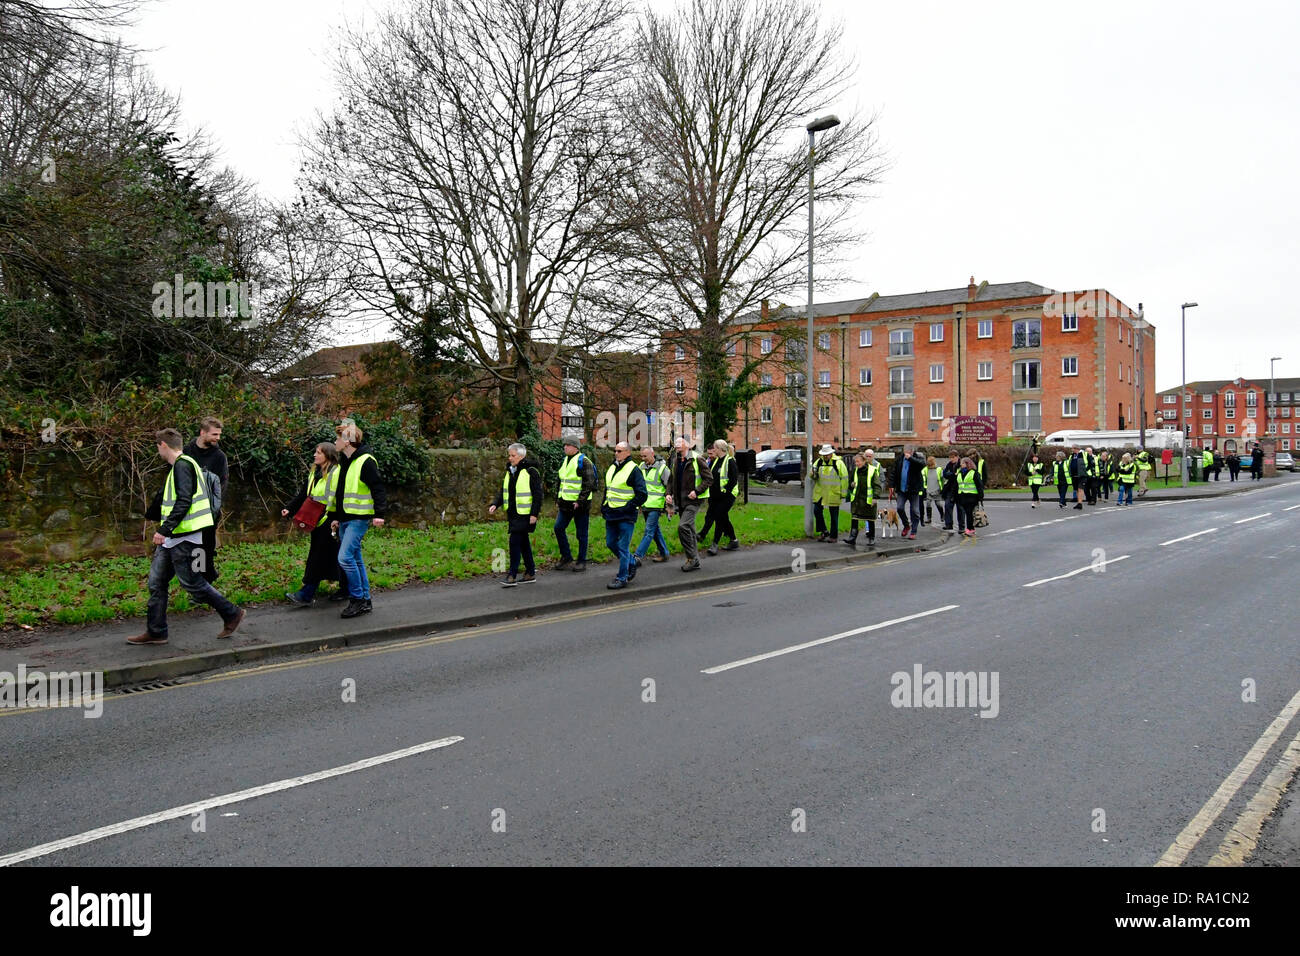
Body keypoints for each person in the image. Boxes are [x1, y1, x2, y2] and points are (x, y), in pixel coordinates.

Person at [128, 429, 244, 646]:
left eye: (157, 446)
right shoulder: (181, 466)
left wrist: (163, 530)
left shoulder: (183, 466)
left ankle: (232, 613)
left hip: (184, 536)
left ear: (163, 445)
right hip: (175, 536)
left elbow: (184, 501)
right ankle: (156, 631)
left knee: (192, 583)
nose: (158, 450)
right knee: (157, 582)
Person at [332, 421, 387, 617]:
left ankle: (357, 599)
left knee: (345, 557)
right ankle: (364, 600)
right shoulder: (346, 461)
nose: (335, 441)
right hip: (347, 518)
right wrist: (337, 517)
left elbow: (378, 488)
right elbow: (341, 493)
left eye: (338, 438)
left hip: (359, 519)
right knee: (355, 558)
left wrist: (379, 514)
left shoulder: (365, 461)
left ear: (347, 441)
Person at [281, 442, 343, 606]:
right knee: (332, 556)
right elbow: (304, 494)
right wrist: (289, 508)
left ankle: (306, 594)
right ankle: (348, 588)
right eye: (315, 452)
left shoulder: (336, 473)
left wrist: (336, 519)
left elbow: (339, 497)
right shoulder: (315, 472)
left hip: (330, 519)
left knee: (319, 556)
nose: (315, 455)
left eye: (318, 453)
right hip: (316, 518)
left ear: (328, 456)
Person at [183, 416, 228, 585]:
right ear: (202, 432)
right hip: (188, 509)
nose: (218, 438)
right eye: (214, 434)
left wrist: (214, 509)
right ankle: (200, 578)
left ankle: (204, 579)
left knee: (206, 546)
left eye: (219, 435)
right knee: (194, 546)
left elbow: (222, 484)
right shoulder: (187, 451)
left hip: (208, 510)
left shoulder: (219, 457)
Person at [489, 441, 541, 586]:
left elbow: (538, 495)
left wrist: (534, 514)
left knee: (515, 542)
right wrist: (495, 503)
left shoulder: (531, 471)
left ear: (521, 456)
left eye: (513, 455)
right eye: (509, 455)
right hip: (513, 513)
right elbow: (504, 491)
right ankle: (530, 572)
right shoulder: (510, 471)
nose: (510, 458)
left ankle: (512, 574)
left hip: (525, 514)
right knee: (523, 542)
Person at [601, 441, 647, 589]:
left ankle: (622, 578)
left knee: (622, 546)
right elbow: (608, 489)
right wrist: (604, 505)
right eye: (615, 450)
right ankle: (632, 562)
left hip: (626, 515)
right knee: (610, 543)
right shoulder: (613, 467)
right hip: (611, 512)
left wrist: (629, 506)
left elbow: (642, 494)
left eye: (619, 451)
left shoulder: (634, 469)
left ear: (627, 452)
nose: (616, 453)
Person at [666, 436, 712, 571]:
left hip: (694, 500)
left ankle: (692, 558)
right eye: (676, 442)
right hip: (680, 501)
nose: (677, 444)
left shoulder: (697, 459)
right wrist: (668, 494)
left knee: (683, 526)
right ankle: (695, 559)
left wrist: (696, 492)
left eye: (680, 442)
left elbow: (709, 479)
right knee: (690, 531)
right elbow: (670, 480)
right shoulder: (676, 460)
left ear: (688, 445)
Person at [554, 437, 597, 572]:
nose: (565, 447)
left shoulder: (584, 462)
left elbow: (589, 483)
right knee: (558, 528)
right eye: (564, 445)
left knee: (581, 534)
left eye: (568, 445)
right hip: (565, 504)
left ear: (576, 448)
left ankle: (581, 560)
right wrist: (558, 498)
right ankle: (566, 557)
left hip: (580, 505)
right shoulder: (565, 461)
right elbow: (561, 481)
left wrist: (580, 501)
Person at [699, 439, 739, 555]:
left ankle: (715, 544)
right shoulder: (716, 461)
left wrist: (726, 492)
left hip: (727, 496)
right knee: (723, 518)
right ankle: (734, 540)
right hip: (715, 496)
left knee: (719, 517)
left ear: (720, 449)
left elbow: (733, 480)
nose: (713, 450)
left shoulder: (730, 461)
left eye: (715, 448)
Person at [633, 445, 671, 565]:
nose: (643, 458)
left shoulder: (663, 468)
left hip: (656, 505)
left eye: (645, 456)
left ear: (652, 454)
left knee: (649, 531)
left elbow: (670, 487)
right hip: (644, 504)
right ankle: (664, 553)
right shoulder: (641, 467)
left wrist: (670, 506)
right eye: (642, 456)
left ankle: (637, 557)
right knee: (655, 531)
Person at [843, 449, 883, 548]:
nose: (856, 464)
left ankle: (871, 538)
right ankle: (852, 538)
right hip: (857, 499)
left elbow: (877, 486)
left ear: (864, 461)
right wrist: (851, 485)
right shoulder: (855, 470)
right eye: (855, 462)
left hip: (868, 500)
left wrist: (875, 497)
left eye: (858, 462)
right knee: (854, 518)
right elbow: (851, 482)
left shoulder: (872, 470)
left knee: (870, 519)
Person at [811, 444, 849, 542]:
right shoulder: (819, 462)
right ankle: (823, 531)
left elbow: (844, 479)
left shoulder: (839, 463)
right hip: (821, 492)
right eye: (824, 455)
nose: (825, 456)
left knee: (834, 515)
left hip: (833, 492)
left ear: (831, 454)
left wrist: (843, 493)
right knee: (817, 510)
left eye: (827, 454)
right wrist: (812, 475)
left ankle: (833, 536)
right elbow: (813, 475)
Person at [888, 444, 924, 539]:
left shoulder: (917, 457)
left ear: (912, 452)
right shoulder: (899, 459)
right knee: (899, 508)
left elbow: (922, 465)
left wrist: (911, 458)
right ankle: (906, 525)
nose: (906, 454)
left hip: (913, 490)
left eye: (908, 453)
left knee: (915, 511)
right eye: (905, 452)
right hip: (902, 489)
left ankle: (913, 531)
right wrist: (891, 485)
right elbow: (893, 472)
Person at [954, 456, 983, 537]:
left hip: (972, 496)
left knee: (969, 513)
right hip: (962, 496)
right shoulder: (959, 473)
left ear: (967, 464)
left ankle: (969, 529)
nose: (961, 465)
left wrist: (980, 497)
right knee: (968, 513)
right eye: (960, 464)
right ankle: (971, 529)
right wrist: (955, 496)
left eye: (962, 463)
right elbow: (956, 485)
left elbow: (979, 485)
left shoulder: (974, 473)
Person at [940, 451, 961, 530]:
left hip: (958, 489)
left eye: (953, 457)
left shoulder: (961, 464)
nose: (951, 459)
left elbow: (959, 475)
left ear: (957, 457)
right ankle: (948, 524)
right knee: (947, 506)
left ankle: (961, 526)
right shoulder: (949, 464)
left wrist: (951, 474)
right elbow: (945, 474)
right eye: (950, 457)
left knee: (960, 509)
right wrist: (953, 474)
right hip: (950, 489)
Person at [923, 455, 942, 525]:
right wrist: (925, 488)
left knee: (938, 504)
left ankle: (942, 515)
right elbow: (923, 478)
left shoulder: (939, 469)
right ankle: (929, 518)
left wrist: (941, 488)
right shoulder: (925, 469)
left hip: (937, 489)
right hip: (929, 489)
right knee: (928, 503)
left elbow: (942, 479)